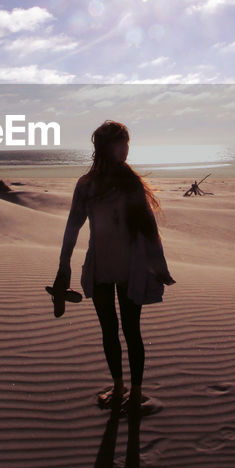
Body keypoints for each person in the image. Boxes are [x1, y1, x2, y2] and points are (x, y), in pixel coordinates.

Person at [56, 120, 175, 408]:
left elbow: (148, 227)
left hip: (130, 267)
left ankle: (135, 392)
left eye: (126, 142)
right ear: (103, 146)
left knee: (131, 330)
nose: (125, 149)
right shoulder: (86, 185)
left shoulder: (130, 183)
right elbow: (73, 226)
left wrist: (159, 266)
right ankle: (119, 387)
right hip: (100, 266)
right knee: (108, 331)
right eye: (120, 142)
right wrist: (64, 266)